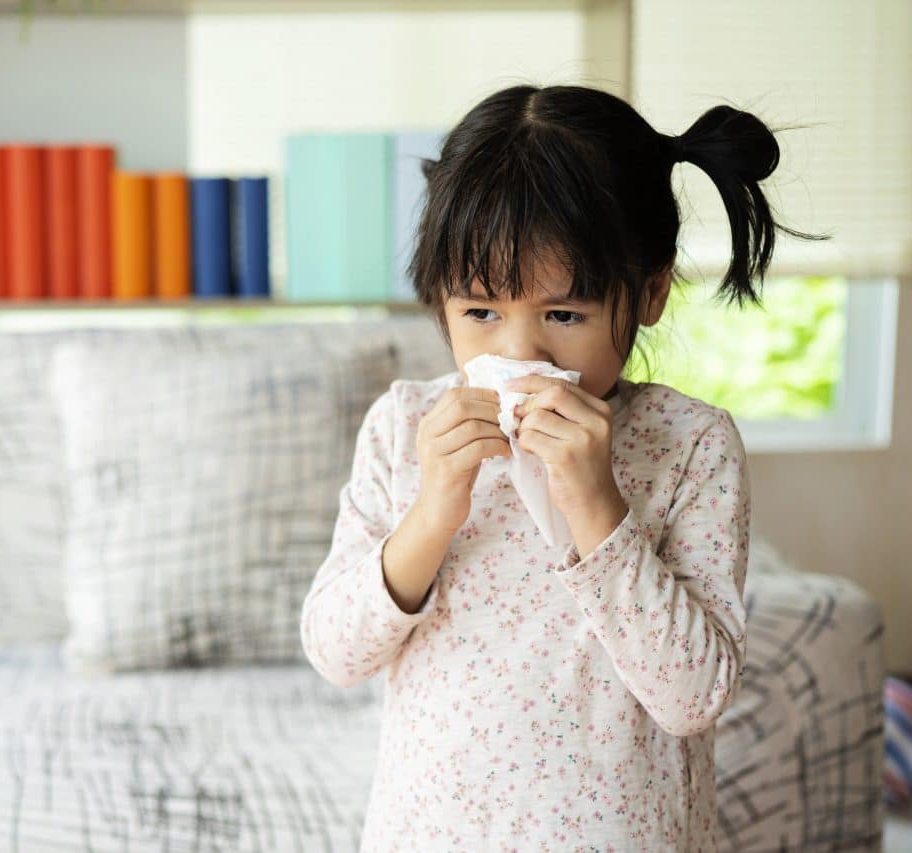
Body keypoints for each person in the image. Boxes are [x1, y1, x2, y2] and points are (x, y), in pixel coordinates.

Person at [300, 83, 826, 851]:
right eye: (481, 312)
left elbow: (694, 695)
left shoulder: (691, 445)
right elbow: (335, 651)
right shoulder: (405, 426)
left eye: (563, 314)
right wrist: (432, 512)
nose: (519, 355)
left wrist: (596, 503)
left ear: (649, 291)